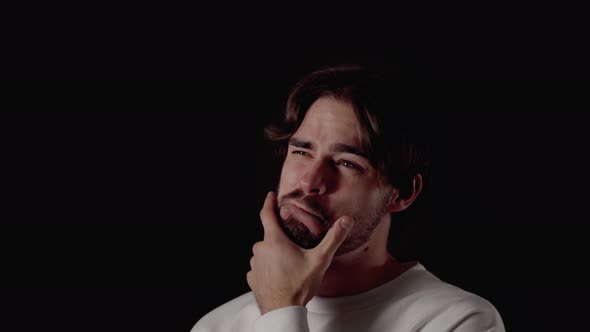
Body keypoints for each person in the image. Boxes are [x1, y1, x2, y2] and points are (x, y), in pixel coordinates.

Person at [191, 65, 505, 332]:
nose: (311, 181)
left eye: (347, 163)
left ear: (403, 193)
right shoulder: (218, 325)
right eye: (302, 151)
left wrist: (282, 309)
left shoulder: (458, 321)